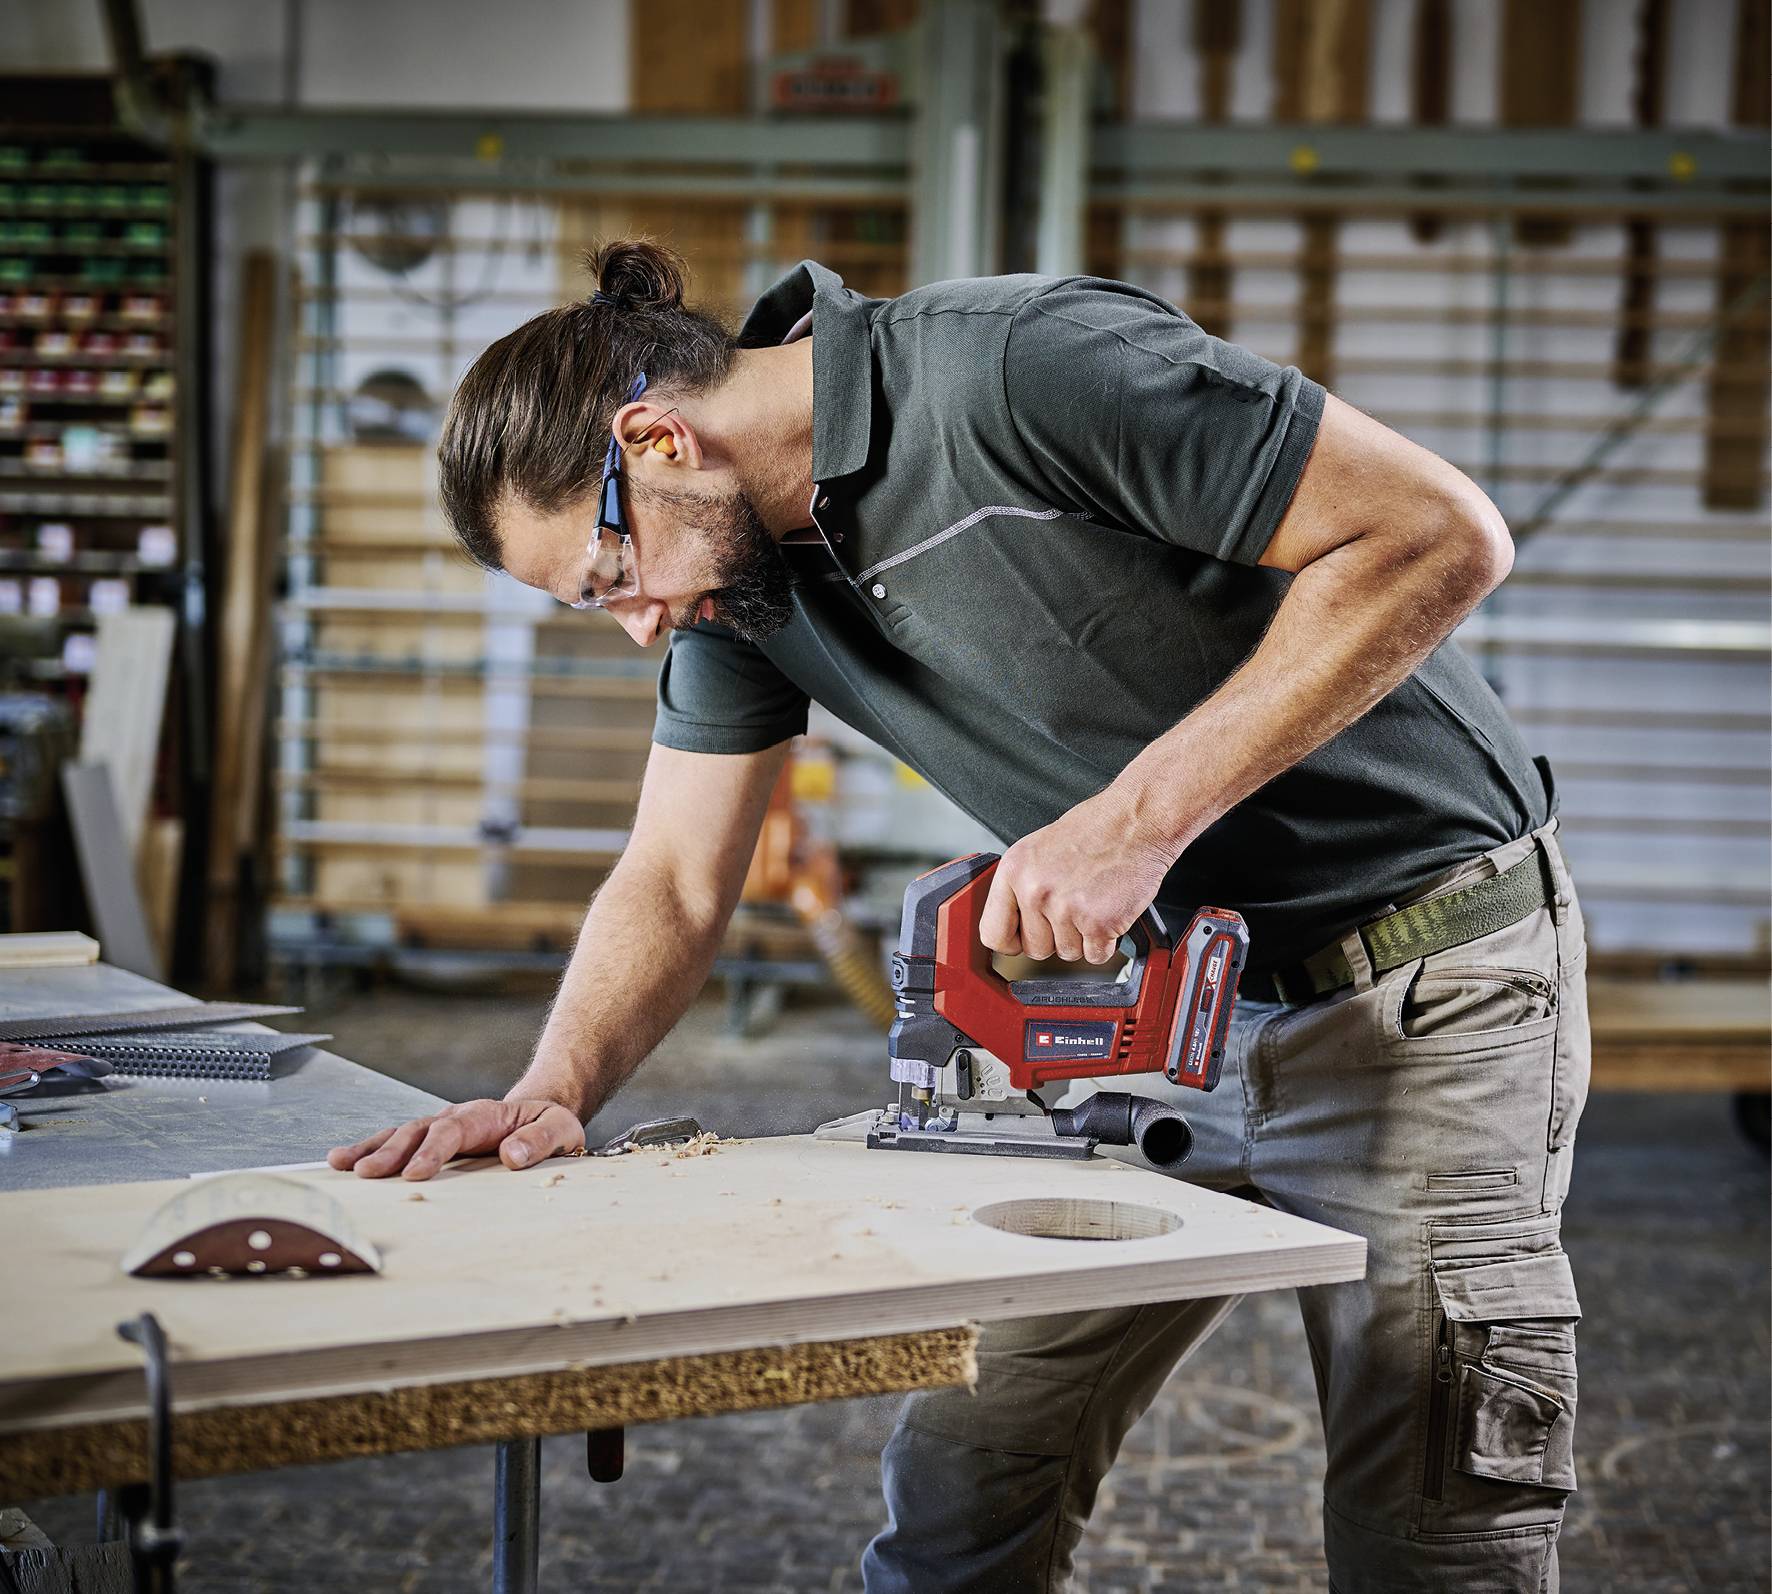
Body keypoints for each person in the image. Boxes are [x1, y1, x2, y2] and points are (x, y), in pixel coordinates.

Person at [329, 239, 1589, 1593]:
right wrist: (548, 1089)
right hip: (1160, 1014)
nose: (637, 625)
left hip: (1422, 987)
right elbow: (679, 876)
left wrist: (1136, 818)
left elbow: (1442, 532)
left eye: (605, 578)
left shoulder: (1022, 370)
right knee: (968, 1481)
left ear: (656, 436)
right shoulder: (739, 585)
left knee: (1431, 1531)